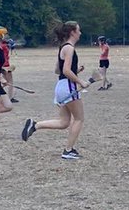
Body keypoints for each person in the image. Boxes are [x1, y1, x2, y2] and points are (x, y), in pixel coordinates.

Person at [21, 21, 88, 158]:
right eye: (78, 30)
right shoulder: (69, 48)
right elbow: (65, 70)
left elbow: (58, 70)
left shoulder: (62, 47)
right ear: (72, 32)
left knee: (64, 122)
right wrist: (80, 80)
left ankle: (35, 125)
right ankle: (68, 150)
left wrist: (76, 71)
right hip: (68, 86)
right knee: (79, 119)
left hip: (61, 86)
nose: (80, 33)